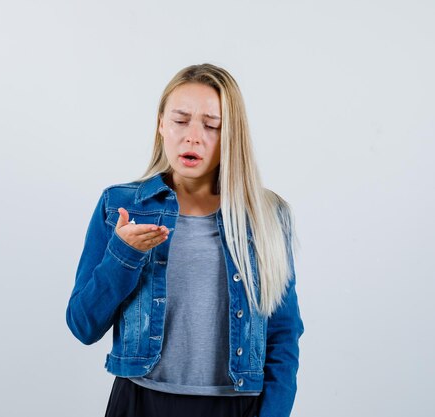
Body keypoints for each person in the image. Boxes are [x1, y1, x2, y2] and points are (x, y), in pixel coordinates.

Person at [66, 63, 304, 417]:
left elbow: (283, 336)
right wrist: (124, 255)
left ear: (230, 136)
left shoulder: (267, 216)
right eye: (180, 120)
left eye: (211, 125)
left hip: (237, 406)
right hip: (139, 402)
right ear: (161, 124)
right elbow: (83, 325)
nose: (193, 136)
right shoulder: (119, 206)